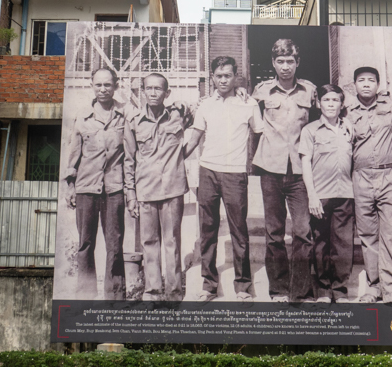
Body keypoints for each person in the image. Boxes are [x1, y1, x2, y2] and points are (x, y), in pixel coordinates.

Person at [184, 56, 263, 302]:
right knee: (208, 230)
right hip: (207, 171)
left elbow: (259, 134)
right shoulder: (205, 105)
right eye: (218, 76)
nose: (222, 80)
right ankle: (209, 285)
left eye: (227, 75)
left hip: (235, 173)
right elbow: (195, 136)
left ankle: (242, 286)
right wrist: (175, 158)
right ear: (212, 77)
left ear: (235, 76)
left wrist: (253, 165)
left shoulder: (249, 103)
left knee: (239, 230)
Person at [252, 39, 318, 302]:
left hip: (300, 171)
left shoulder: (310, 91)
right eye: (280, 61)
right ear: (273, 63)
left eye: (290, 61)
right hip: (270, 168)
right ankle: (278, 289)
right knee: (274, 232)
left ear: (297, 62)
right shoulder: (262, 92)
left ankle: (300, 290)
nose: (285, 66)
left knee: (303, 231)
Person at [124, 73, 191, 301]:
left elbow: (203, 115)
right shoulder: (133, 122)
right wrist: (130, 195)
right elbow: (129, 160)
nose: (153, 93)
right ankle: (153, 292)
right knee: (149, 242)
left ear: (167, 93)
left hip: (172, 189)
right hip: (145, 190)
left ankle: (174, 293)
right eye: (149, 88)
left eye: (158, 89)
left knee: (172, 242)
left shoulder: (178, 115)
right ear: (143, 91)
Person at [63, 67, 127, 300]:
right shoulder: (82, 116)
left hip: (114, 189)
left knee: (115, 244)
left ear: (116, 86)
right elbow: (74, 155)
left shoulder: (126, 114)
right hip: (86, 188)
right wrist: (70, 186)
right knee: (85, 244)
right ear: (92, 86)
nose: (103, 89)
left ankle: (116, 298)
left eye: (107, 85)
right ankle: (85, 294)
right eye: (98, 85)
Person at [345, 66, 392, 303]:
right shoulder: (346, 111)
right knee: (368, 234)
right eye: (361, 80)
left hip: (388, 175)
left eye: (371, 80)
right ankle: (374, 286)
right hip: (361, 177)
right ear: (354, 85)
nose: (366, 84)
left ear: (378, 85)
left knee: (391, 232)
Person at [300, 84, 356, 303]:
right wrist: (312, 195)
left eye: (335, 100)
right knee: (321, 243)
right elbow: (305, 163)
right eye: (327, 100)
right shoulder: (310, 130)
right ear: (318, 103)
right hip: (321, 195)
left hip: (345, 194)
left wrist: (348, 121)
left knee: (343, 245)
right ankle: (323, 290)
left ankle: (340, 291)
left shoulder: (348, 128)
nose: (331, 104)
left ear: (341, 104)